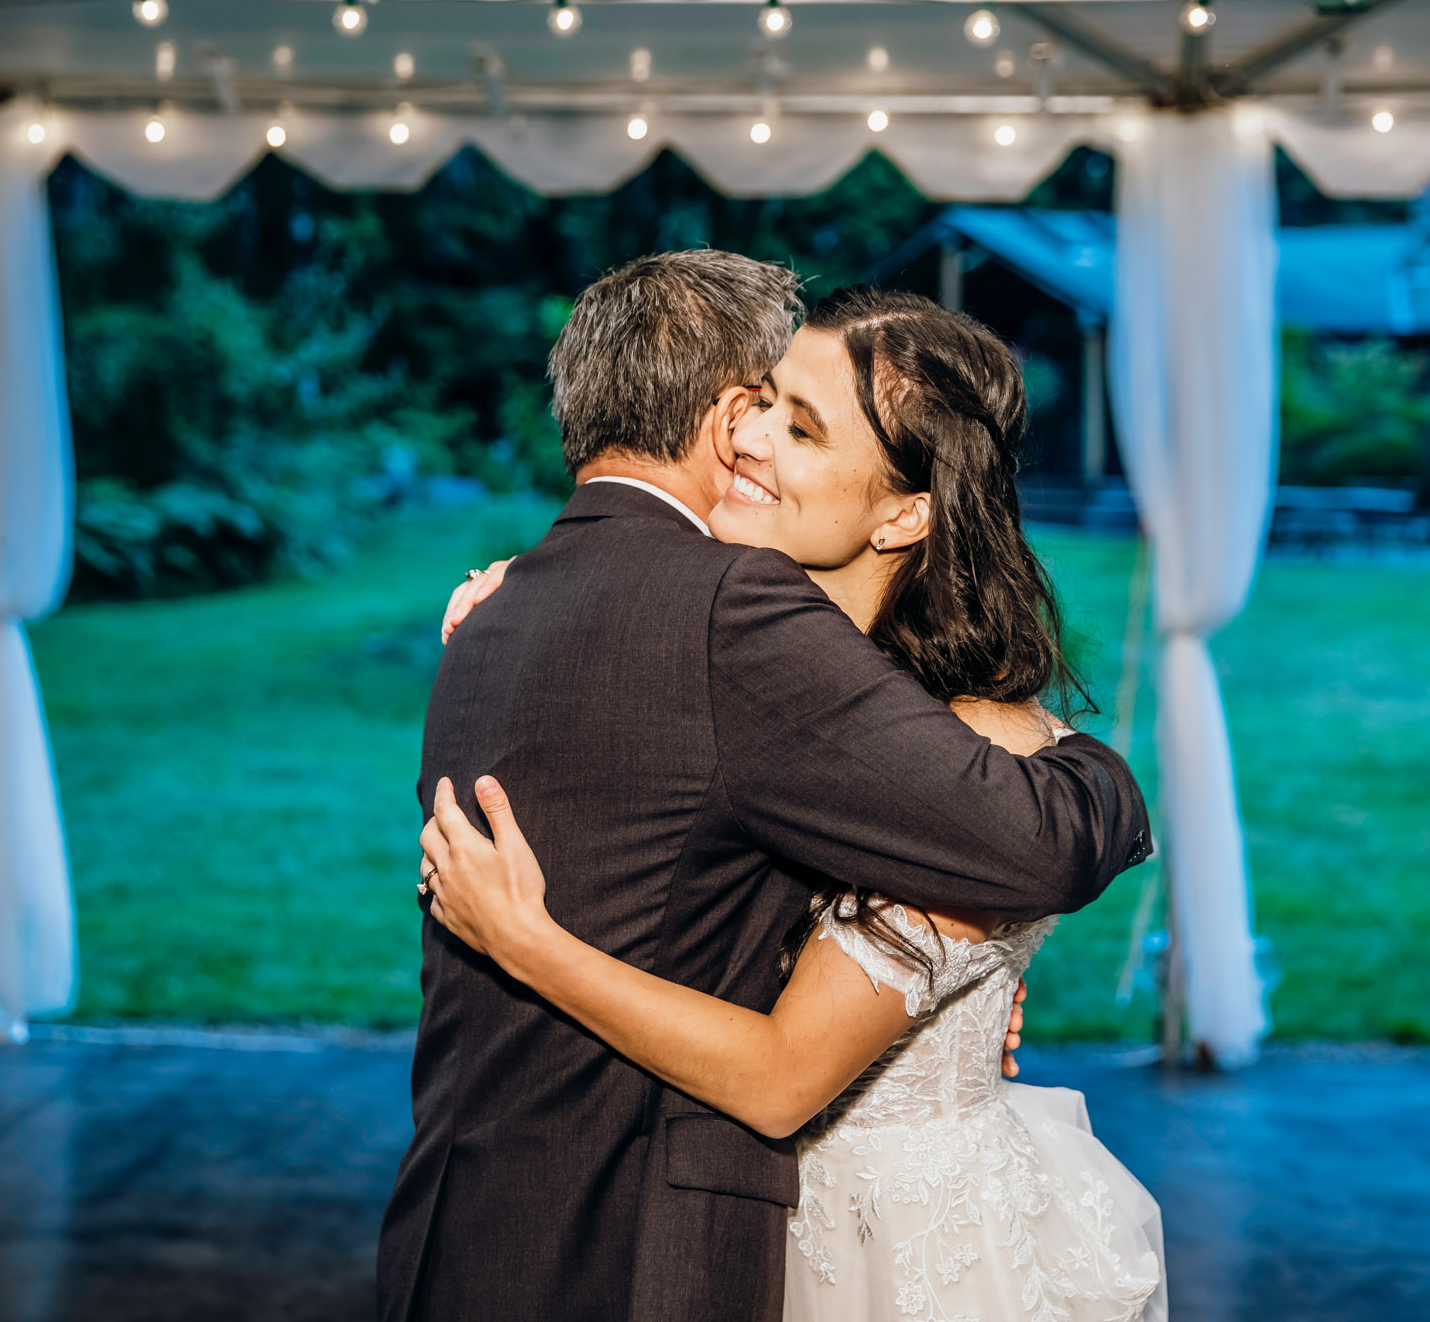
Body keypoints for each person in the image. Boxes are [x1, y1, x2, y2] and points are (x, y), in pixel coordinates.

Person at [420, 285, 1165, 1320]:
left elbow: (780, 1075)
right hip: (762, 1227)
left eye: (801, 427)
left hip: (900, 1252)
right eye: (761, 403)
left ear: (904, 512)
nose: (752, 439)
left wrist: (524, 939)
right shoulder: (756, 682)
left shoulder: (968, 750)